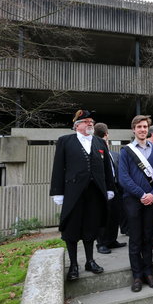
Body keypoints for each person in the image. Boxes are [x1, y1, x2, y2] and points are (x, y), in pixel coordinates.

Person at [50, 110, 115, 281]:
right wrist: (57, 192)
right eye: (86, 121)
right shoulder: (65, 141)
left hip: (94, 193)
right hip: (73, 194)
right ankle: (73, 265)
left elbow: (107, 168)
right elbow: (58, 167)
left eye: (91, 121)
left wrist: (109, 188)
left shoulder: (99, 142)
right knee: (71, 230)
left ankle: (90, 261)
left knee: (90, 228)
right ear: (77, 125)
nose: (90, 124)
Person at [118, 115, 153, 293]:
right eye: (139, 127)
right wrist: (142, 194)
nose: (143, 129)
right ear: (133, 130)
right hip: (132, 201)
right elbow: (123, 178)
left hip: (150, 200)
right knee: (135, 239)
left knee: (148, 237)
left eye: (145, 127)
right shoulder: (126, 151)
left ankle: (149, 273)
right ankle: (137, 276)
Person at [93, 123, 127, 254]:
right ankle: (101, 243)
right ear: (106, 134)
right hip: (102, 189)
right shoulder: (94, 149)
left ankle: (112, 240)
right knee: (103, 217)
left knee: (115, 215)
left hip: (115, 187)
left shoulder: (110, 152)